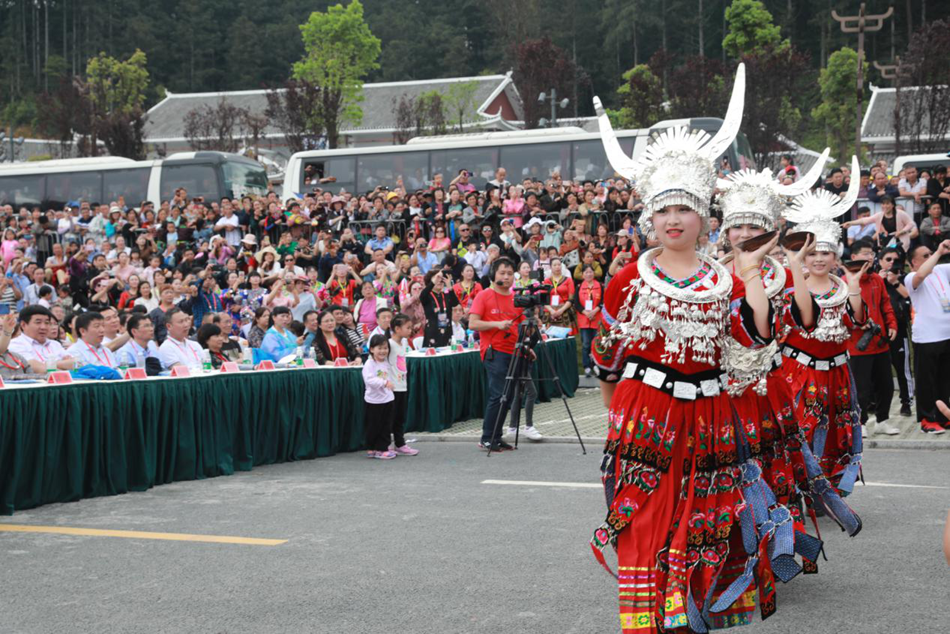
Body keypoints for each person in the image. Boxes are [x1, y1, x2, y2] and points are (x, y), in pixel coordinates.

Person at [590, 68, 804, 630]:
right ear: (649, 218)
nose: (673, 220)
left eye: (683, 209)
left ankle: (690, 611)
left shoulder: (723, 280)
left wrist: (753, 273)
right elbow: (605, 361)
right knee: (645, 518)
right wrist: (616, 417)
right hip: (647, 414)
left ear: (703, 216)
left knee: (709, 519)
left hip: (710, 415)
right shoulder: (625, 281)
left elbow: (753, 340)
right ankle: (647, 620)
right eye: (663, 210)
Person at [781, 160, 867, 495]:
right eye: (813, 252)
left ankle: (827, 489)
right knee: (802, 428)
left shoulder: (845, 287)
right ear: (804, 255)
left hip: (837, 374)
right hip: (800, 373)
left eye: (826, 253)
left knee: (836, 431)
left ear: (836, 256)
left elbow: (858, 321)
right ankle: (798, 485)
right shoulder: (792, 287)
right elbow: (801, 319)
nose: (819, 258)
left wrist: (855, 283)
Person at [468, 257, 524, 451]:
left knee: (508, 396)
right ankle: (486, 437)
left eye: (510, 274)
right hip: (494, 351)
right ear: (493, 275)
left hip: (514, 351)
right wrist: (497, 324)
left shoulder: (515, 297)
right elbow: (473, 324)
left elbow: (521, 324)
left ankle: (496, 436)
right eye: (502, 273)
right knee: (498, 394)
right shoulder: (483, 295)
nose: (506, 277)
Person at [847, 240, 900, 436]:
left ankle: (883, 420)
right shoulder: (846, 281)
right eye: (864, 253)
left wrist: (892, 325)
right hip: (857, 345)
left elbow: (886, 304)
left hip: (880, 342)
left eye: (871, 253)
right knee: (861, 388)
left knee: (885, 384)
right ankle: (860, 423)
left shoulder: (877, 279)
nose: (869, 257)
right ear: (853, 258)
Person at [904, 241, 950, 434]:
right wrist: (939, 252)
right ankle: (926, 418)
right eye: (925, 255)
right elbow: (922, 274)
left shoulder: (940, 271)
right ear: (912, 262)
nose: (931, 256)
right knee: (926, 381)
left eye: (931, 253)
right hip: (927, 338)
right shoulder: (911, 276)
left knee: (944, 380)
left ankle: (942, 415)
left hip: (946, 335)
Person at [879, 248, 914, 417]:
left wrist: (895, 282)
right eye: (888, 259)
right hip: (879, 331)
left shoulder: (905, 278)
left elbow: (911, 297)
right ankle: (874, 402)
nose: (892, 262)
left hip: (899, 329)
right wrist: (880, 280)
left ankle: (906, 402)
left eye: (895, 259)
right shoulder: (875, 278)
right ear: (880, 261)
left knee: (902, 368)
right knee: (877, 369)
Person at [387, 314, 419, 456]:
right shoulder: (388, 344)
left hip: (402, 385)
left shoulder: (404, 343)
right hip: (391, 387)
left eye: (411, 327)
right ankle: (386, 443)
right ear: (397, 329)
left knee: (400, 417)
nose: (410, 330)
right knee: (390, 417)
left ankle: (400, 443)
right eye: (407, 328)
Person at [362, 334, 397, 460]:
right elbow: (369, 380)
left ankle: (382, 447)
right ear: (371, 349)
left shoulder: (386, 362)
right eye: (379, 348)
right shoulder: (369, 364)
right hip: (373, 401)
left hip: (387, 399)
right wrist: (384, 383)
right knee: (373, 425)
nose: (383, 351)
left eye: (385, 348)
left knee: (386, 425)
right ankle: (373, 448)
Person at [9, 305, 75, 370]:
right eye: (38, 322)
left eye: (47, 323)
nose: (43, 327)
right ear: (23, 325)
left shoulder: (55, 344)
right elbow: (34, 367)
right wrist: (62, 364)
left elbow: (74, 363)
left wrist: (48, 364)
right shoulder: (15, 344)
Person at [574, 264, 603, 376]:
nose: (589, 274)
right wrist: (586, 313)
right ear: (582, 275)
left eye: (590, 272)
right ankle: (587, 365)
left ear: (594, 273)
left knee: (596, 343)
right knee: (586, 343)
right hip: (584, 319)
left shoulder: (599, 286)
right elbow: (576, 304)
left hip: (596, 318)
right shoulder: (579, 287)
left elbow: (602, 302)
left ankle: (596, 364)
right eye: (586, 272)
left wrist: (594, 311)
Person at [421, 269, 459, 348]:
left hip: (447, 331)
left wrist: (450, 287)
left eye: (441, 279)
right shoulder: (427, 295)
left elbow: (455, 303)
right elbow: (422, 295)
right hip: (432, 332)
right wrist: (433, 281)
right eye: (436, 278)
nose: (439, 281)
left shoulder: (446, 294)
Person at [0, 312, 45, 376]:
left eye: (2, 328)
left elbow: (33, 378)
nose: (4, 331)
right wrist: (7, 331)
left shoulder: (18, 357)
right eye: (1, 328)